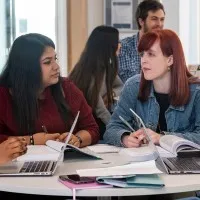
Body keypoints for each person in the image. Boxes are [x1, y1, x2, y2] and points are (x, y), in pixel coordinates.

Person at [104, 29, 200, 148]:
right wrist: (125, 138)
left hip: (185, 163)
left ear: (170, 60)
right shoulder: (133, 86)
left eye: (151, 54)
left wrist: (162, 138)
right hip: (145, 162)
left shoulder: (196, 92)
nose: (143, 60)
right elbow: (112, 128)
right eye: (142, 54)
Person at [0, 33, 99, 148]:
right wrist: (30, 140)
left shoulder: (67, 87)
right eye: (47, 62)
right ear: (27, 67)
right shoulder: (3, 94)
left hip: (65, 162)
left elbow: (92, 128)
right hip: (18, 164)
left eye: (55, 59)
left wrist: (77, 139)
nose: (56, 66)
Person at [69, 25, 123, 139]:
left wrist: (112, 94)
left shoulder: (106, 67)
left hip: (96, 121)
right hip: (87, 127)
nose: (120, 45)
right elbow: (100, 110)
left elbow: (121, 87)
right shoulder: (91, 72)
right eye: (117, 42)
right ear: (108, 46)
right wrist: (115, 128)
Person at [118, 0, 165, 83]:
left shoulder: (166, 46)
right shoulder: (122, 48)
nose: (159, 24)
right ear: (141, 21)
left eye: (162, 19)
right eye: (154, 19)